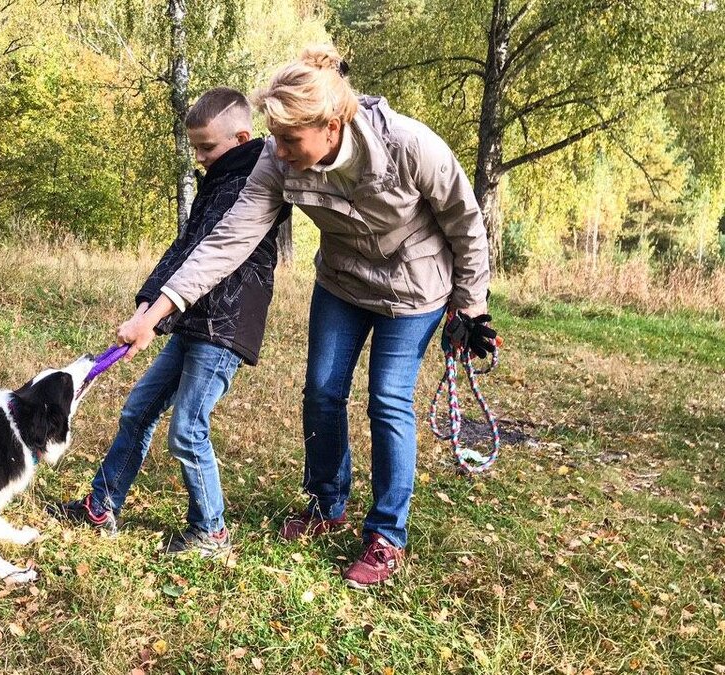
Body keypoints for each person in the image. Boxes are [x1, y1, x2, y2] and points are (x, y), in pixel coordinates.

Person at [115, 44, 496, 588]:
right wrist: (156, 312)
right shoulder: (277, 159)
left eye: (292, 139)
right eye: (276, 136)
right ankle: (327, 504)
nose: (281, 150)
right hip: (342, 283)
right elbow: (228, 241)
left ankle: (386, 536)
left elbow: (465, 220)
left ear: (333, 125)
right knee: (320, 391)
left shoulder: (409, 145)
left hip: (415, 289)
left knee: (387, 399)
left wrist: (472, 302)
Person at [50, 87, 292, 558]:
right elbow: (184, 249)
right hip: (194, 319)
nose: (199, 158)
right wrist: (146, 308)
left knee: (187, 429)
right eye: (196, 148)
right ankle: (102, 507)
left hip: (224, 325)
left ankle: (212, 532)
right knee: (138, 411)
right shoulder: (218, 180)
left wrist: (155, 316)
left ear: (241, 137)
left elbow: (212, 255)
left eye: (207, 147)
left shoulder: (252, 182)